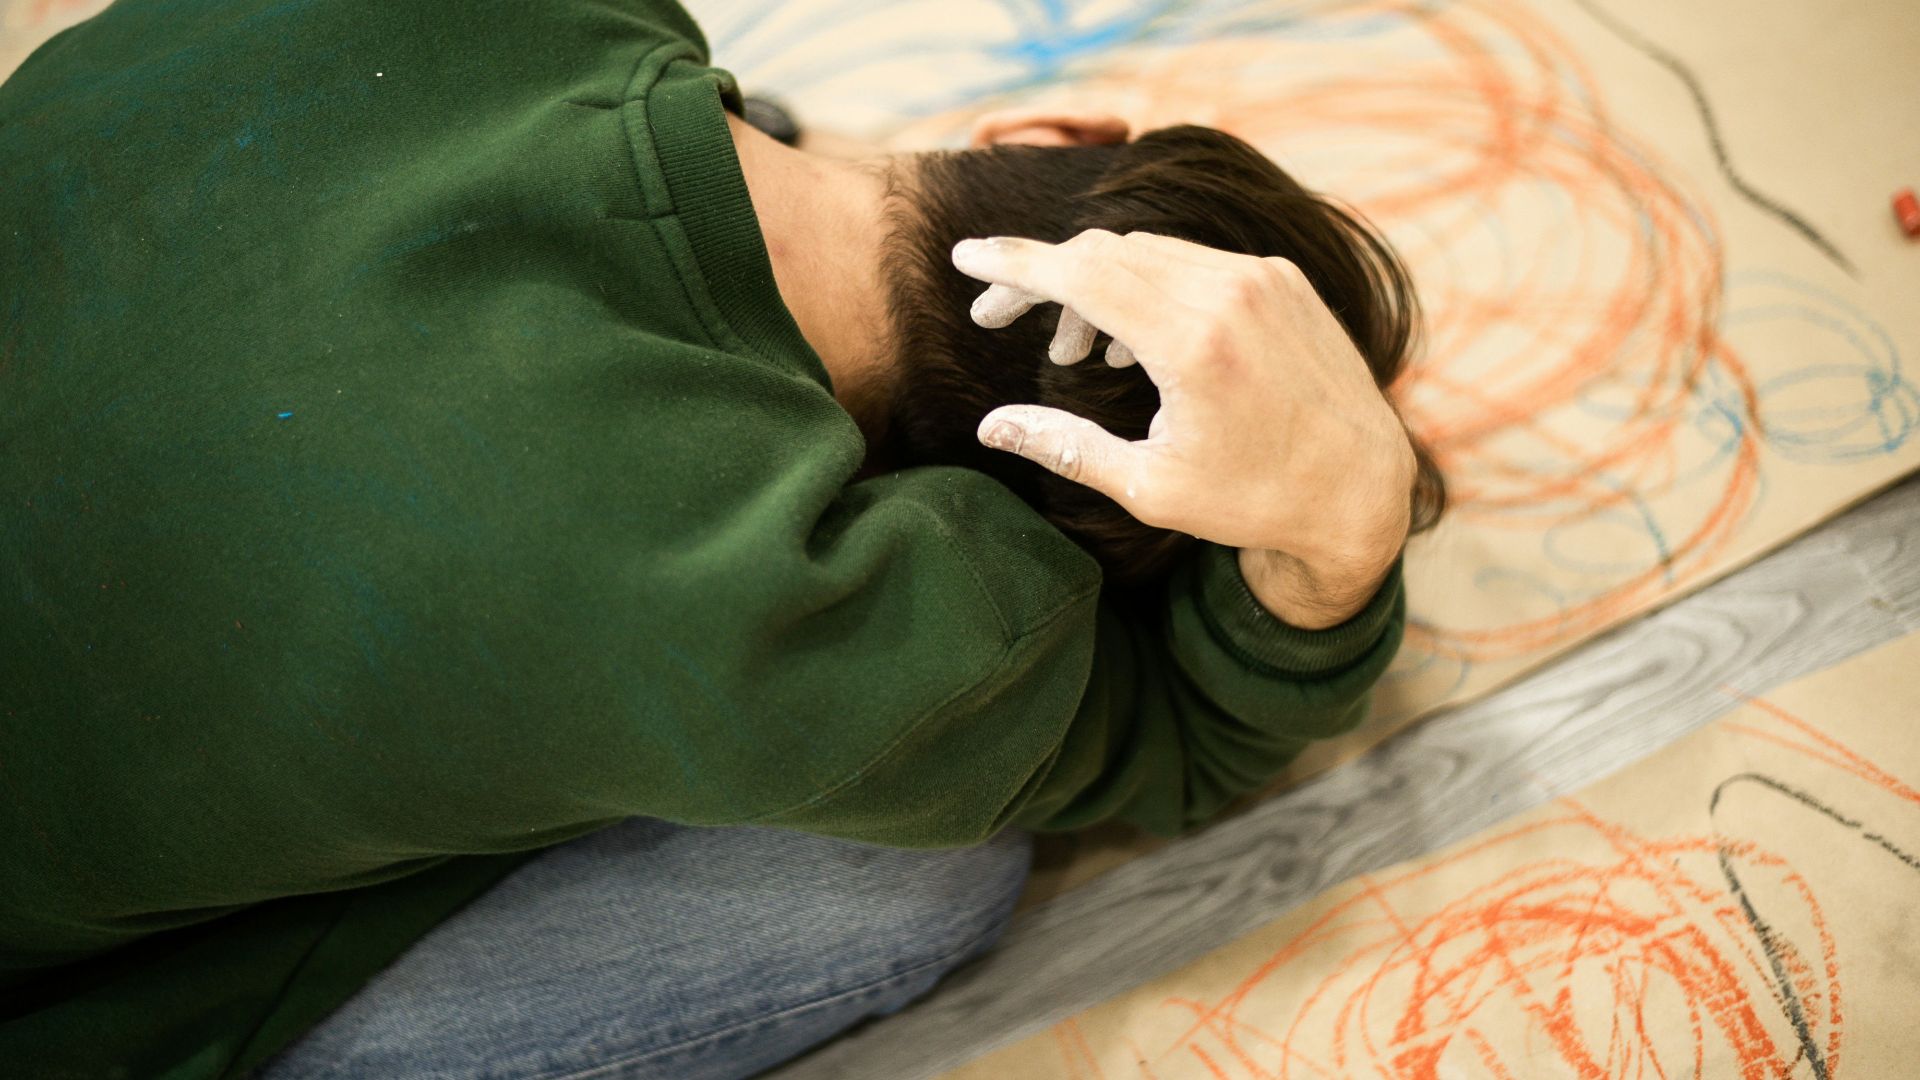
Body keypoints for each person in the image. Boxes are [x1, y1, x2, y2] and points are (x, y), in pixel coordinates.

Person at [0, 0, 1441, 1076]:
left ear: (1037, 137)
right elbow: (1194, 746)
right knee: (922, 874)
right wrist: (1340, 532)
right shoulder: (818, 617)